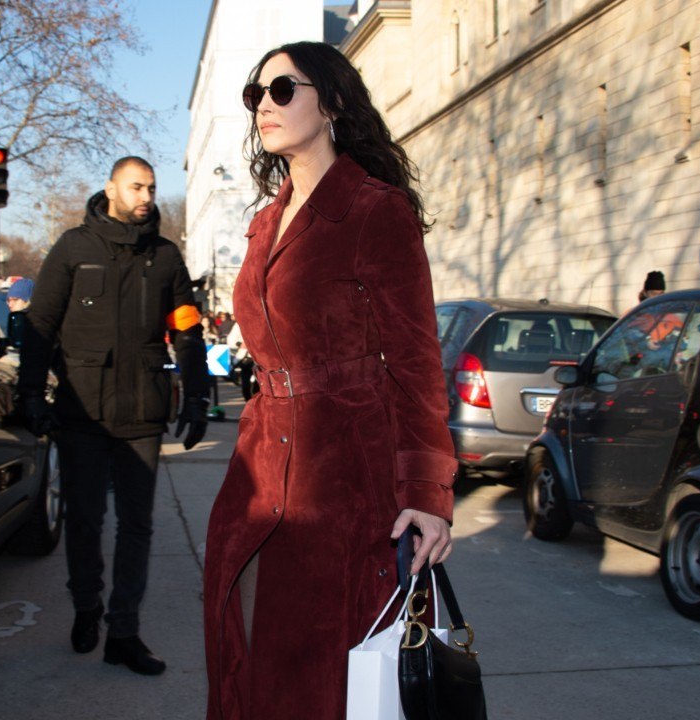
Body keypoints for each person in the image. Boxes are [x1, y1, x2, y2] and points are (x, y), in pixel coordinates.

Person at [202, 42, 458, 720]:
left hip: (346, 474)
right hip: (262, 472)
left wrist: (428, 492)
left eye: (283, 89)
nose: (264, 104)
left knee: (326, 679)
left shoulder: (376, 210)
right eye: (255, 93)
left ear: (334, 101)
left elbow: (415, 361)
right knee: (251, 656)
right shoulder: (265, 222)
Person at [18, 156, 211, 676]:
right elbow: (39, 325)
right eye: (136, 187)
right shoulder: (73, 249)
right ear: (110, 189)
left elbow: (188, 332)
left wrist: (196, 397)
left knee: (137, 526)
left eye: (151, 187)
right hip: (82, 412)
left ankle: (123, 632)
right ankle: (87, 610)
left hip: (143, 412)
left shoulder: (166, 257)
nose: (146, 196)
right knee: (84, 520)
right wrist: (30, 393)